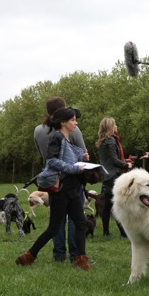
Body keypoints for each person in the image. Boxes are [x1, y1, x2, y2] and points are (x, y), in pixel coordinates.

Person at [16, 107, 91, 270]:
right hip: (61, 190)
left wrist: (81, 158)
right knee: (54, 228)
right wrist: (75, 169)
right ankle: (29, 255)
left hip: (72, 189)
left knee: (81, 224)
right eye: (72, 120)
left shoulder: (67, 138)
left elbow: (66, 159)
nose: (75, 123)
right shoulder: (56, 137)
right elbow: (52, 161)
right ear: (63, 122)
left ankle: (80, 258)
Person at [34, 97, 88, 263]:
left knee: (56, 220)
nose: (74, 122)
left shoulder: (38, 130)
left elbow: (43, 156)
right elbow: (80, 155)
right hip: (70, 179)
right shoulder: (70, 129)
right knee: (75, 219)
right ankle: (75, 254)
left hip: (52, 180)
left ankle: (58, 254)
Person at [96, 117, 133, 237]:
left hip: (106, 175)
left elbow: (108, 159)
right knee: (117, 204)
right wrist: (126, 164)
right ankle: (123, 233)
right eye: (115, 125)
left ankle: (106, 232)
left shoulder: (102, 141)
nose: (116, 126)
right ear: (111, 127)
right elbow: (114, 160)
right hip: (113, 176)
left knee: (108, 205)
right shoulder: (111, 140)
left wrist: (123, 161)